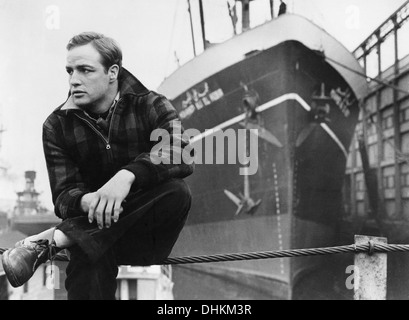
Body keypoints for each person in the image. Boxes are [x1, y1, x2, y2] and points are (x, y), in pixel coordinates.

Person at [1, 32, 194, 300]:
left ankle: (56, 240)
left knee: (177, 193)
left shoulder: (150, 104)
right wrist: (89, 201)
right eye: (70, 71)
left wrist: (127, 177)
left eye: (85, 70)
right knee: (90, 252)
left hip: (144, 237)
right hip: (91, 244)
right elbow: (64, 196)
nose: (73, 80)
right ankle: (71, 238)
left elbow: (181, 150)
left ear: (112, 72)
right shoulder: (56, 126)